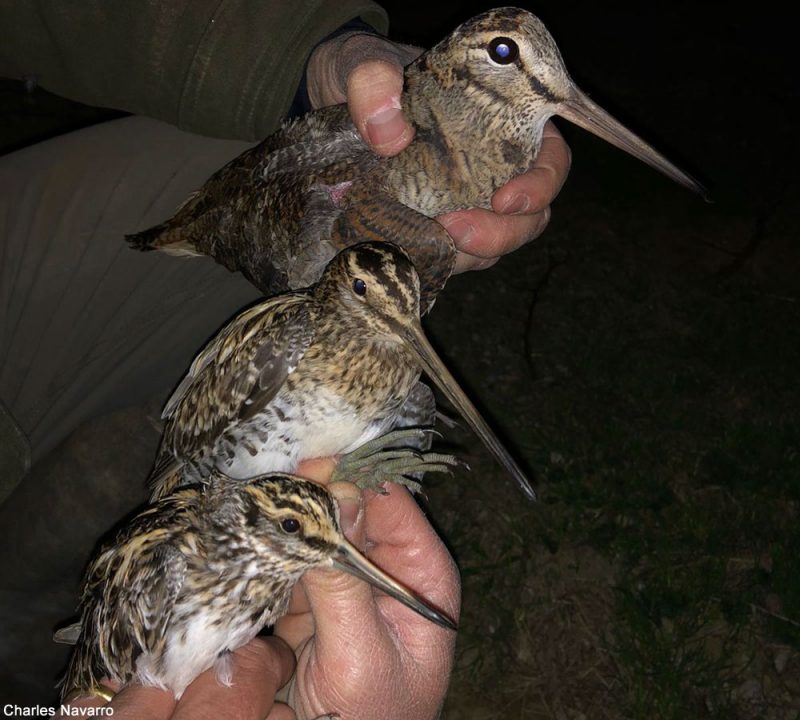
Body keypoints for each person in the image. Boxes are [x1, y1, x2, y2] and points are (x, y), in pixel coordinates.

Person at [0, 2, 571, 717]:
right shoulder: (284, 345)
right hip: (210, 486)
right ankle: (64, 647)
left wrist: (335, 58)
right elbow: (195, 463)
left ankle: (41, 634)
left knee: (295, 168)